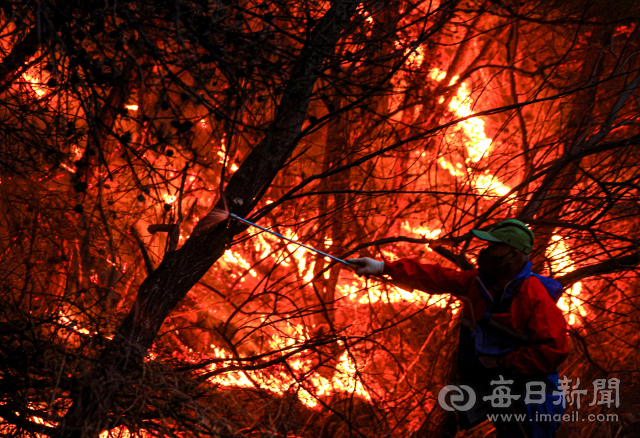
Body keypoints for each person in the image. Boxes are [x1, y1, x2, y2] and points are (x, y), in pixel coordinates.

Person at [348, 219, 569, 438]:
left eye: (493, 247)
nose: (486, 252)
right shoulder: (479, 283)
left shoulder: (536, 297)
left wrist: (502, 362)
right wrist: (384, 268)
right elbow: (437, 277)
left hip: (534, 401)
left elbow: (551, 352)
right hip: (501, 392)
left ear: (513, 255)